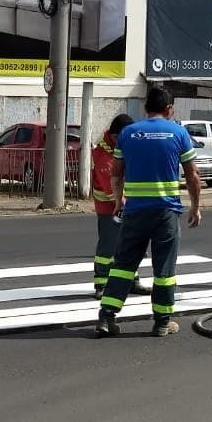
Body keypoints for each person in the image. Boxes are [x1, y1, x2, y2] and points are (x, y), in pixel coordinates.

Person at [95, 87, 202, 338]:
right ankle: (162, 322)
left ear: (145, 108)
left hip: (134, 212)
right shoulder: (179, 132)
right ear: (170, 108)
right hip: (165, 213)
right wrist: (196, 207)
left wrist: (119, 202)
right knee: (164, 268)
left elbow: (116, 174)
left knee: (123, 265)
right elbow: (193, 175)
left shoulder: (128, 133)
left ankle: (107, 316)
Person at [90, 113, 150, 299]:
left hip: (127, 204)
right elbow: (111, 188)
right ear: (115, 136)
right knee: (108, 247)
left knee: (130, 245)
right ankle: (101, 283)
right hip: (109, 208)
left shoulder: (123, 147)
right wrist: (124, 205)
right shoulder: (103, 155)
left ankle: (132, 281)